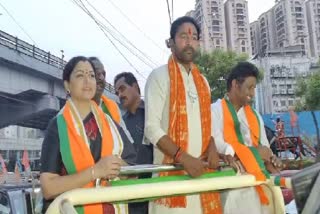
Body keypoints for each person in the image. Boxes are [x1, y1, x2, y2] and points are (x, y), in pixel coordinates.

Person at [144, 16, 221, 214]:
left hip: (201, 178)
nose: (189, 42)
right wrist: (183, 158)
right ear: (171, 43)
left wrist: (212, 148)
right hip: (170, 181)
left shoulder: (203, 82)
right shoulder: (159, 76)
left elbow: (206, 127)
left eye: (194, 37)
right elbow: (152, 129)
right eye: (183, 36)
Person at [40, 56, 129, 213]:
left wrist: (119, 166)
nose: (87, 81)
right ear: (67, 85)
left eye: (91, 75)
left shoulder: (110, 124)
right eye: (80, 75)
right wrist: (96, 171)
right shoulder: (57, 126)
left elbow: (132, 172)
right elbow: (48, 188)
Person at [211, 61, 284, 213]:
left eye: (254, 88)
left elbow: (265, 149)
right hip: (233, 189)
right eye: (249, 88)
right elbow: (218, 146)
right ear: (235, 85)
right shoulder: (215, 111)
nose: (252, 93)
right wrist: (255, 153)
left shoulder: (255, 115)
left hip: (260, 187)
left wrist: (272, 159)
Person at [114, 72, 153, 214]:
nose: (119, 95)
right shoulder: (120, 123)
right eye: (117, 92)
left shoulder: (152, 113)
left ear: (135, 87)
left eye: (122, 89)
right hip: (131, 192)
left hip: (156, 188)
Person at [89, 57, 136, 165]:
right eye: (96, 73)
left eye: (103, 74)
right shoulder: (73, 112)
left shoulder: (112, 107)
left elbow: (128, 146)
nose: (101, 77)